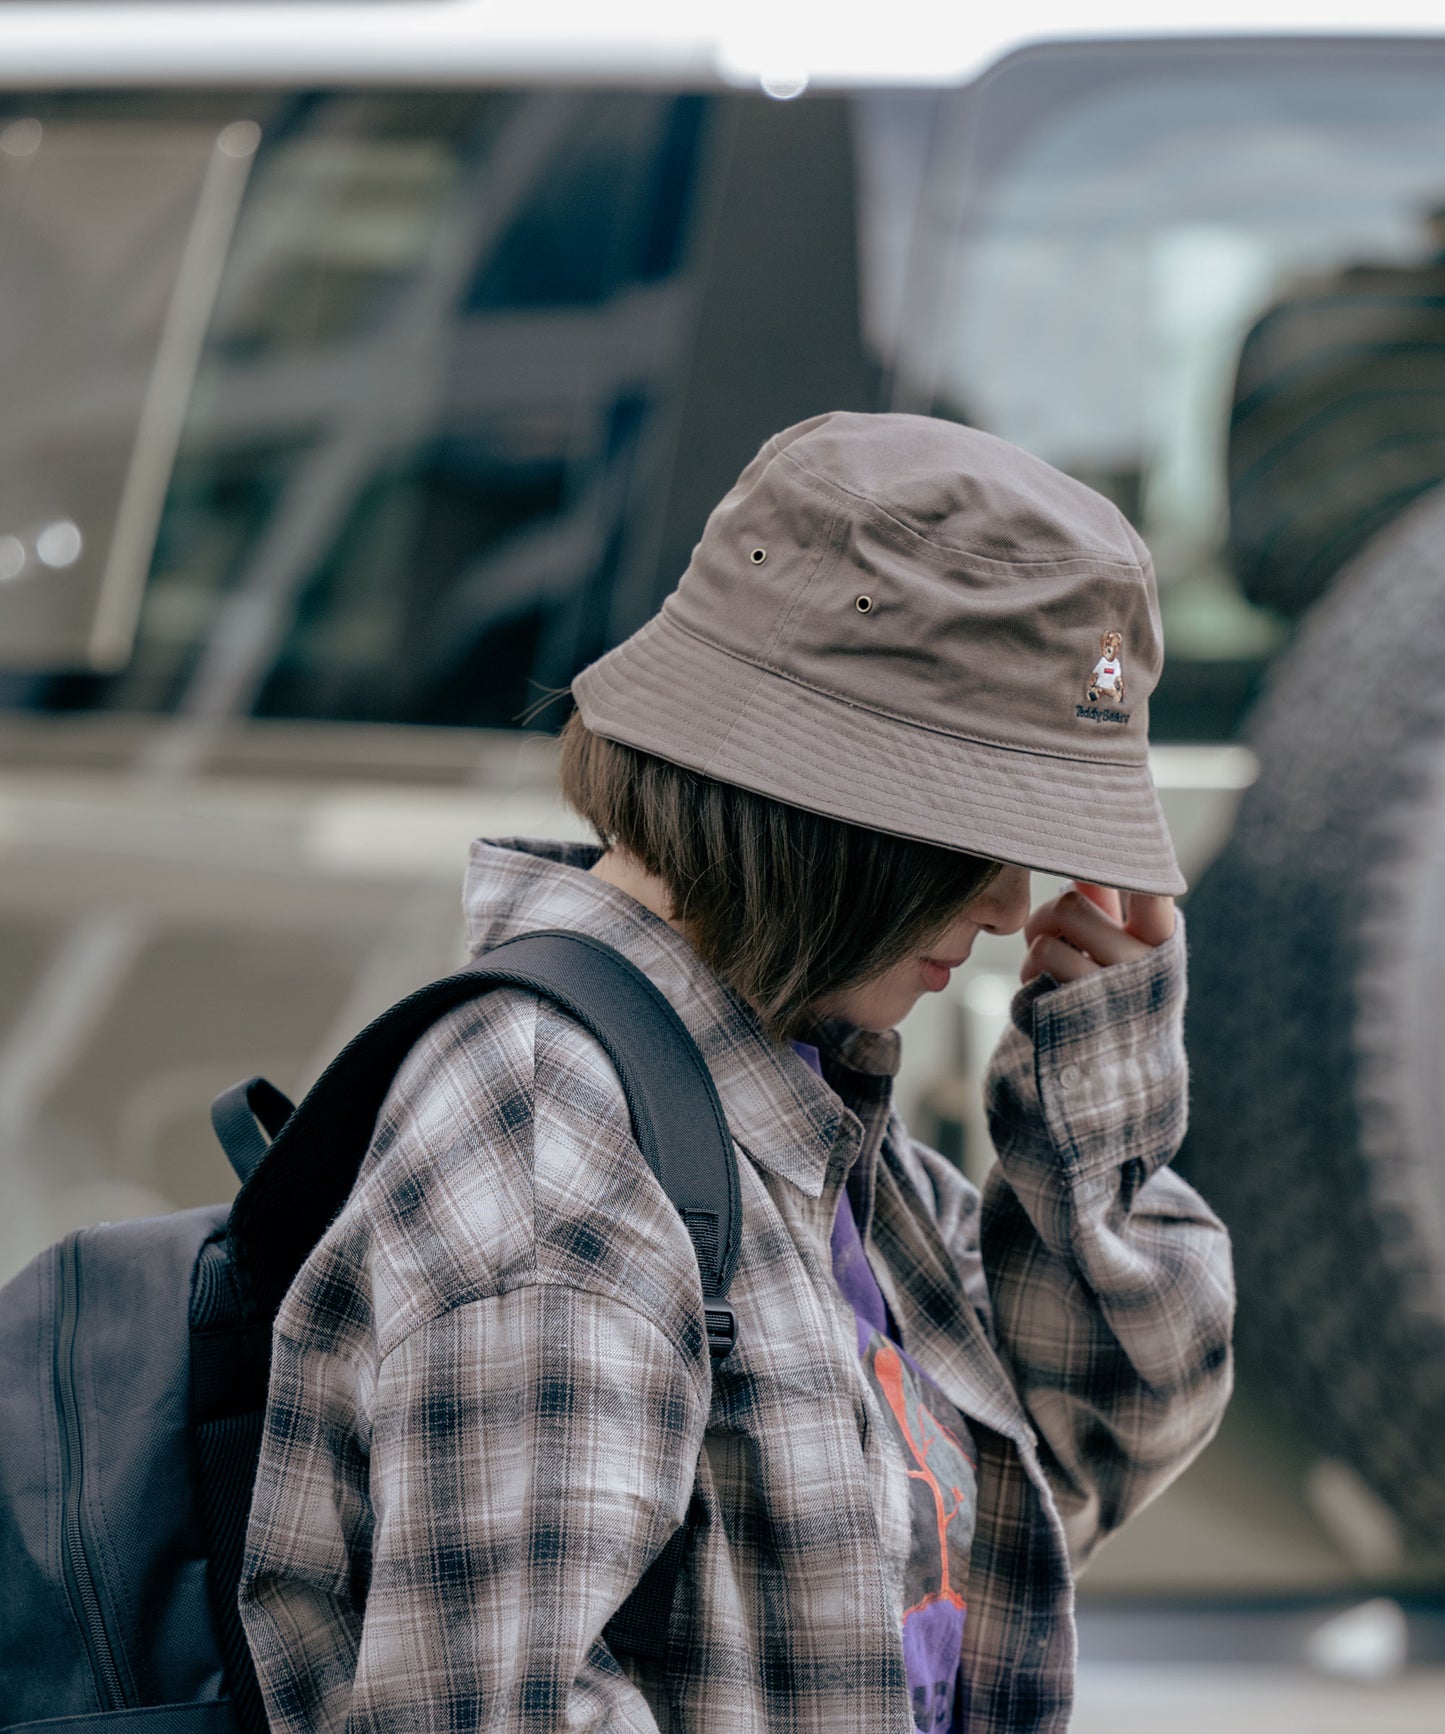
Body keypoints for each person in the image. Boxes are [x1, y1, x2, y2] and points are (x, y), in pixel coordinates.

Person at [238, 411, 1234, 1733]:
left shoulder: (792, 1105)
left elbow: (1066, 1468)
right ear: (816, 797)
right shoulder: (564, 1152)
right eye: (980, 830)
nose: (1012, 902)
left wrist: (1088, 1103)